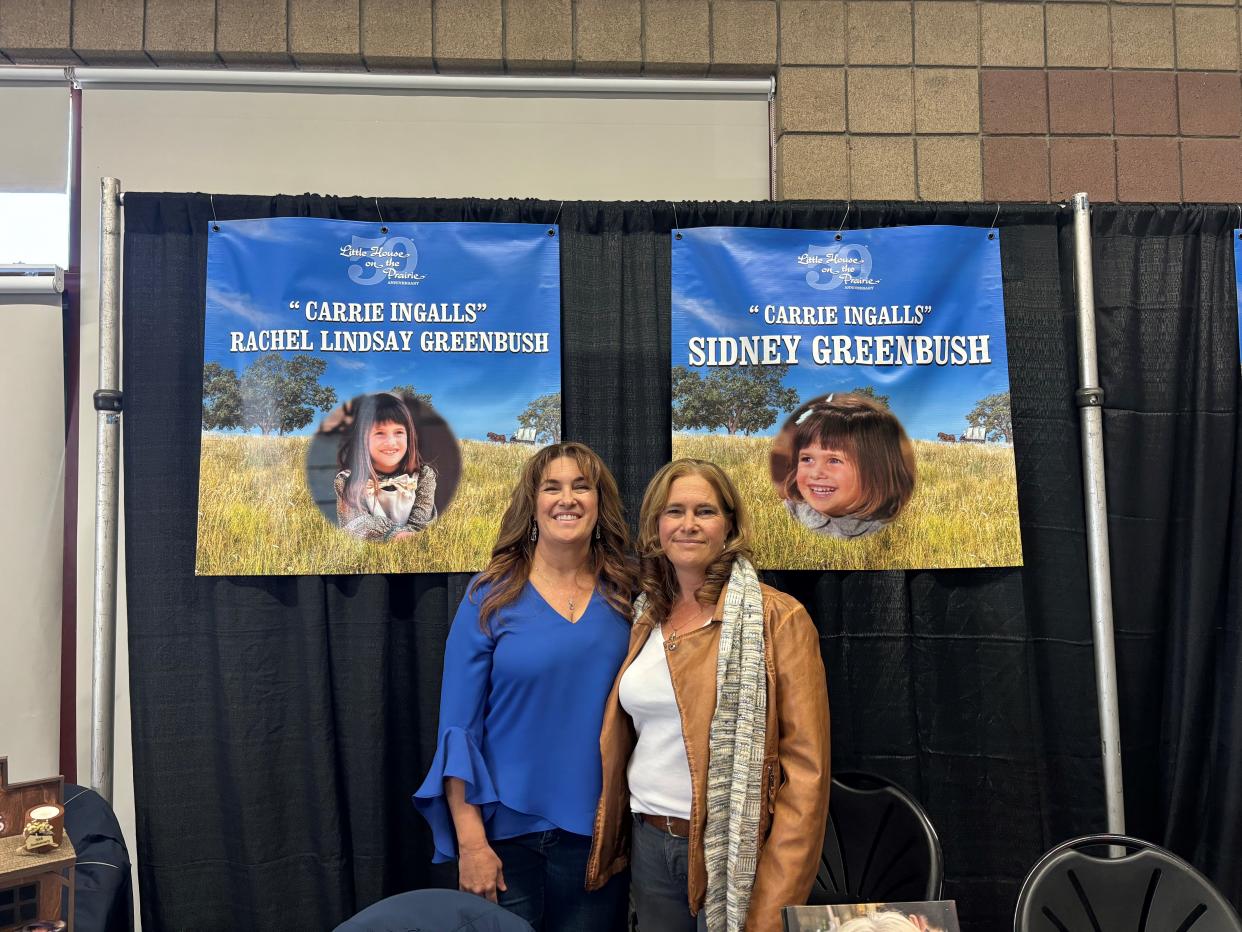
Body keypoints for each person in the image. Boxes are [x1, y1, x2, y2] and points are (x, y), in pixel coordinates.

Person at [586, 459, 831, 932]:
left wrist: (773, 906)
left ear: (730, 525)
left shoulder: (779, 618)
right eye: (674, 511)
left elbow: (807, 776)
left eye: (706, 511)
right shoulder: (644, 615)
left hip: (738, 853)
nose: (689, 524)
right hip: (651, 845)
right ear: (656, 526)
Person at [413, 442, 635, 932]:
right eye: (551, 486)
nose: (567, 498)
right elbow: (458, 732)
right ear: (531, 503)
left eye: (582, 486)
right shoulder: (489, 595)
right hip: (502, 840)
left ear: (600, 503)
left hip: (597, 838)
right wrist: (471, 845)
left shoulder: (629, 593)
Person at [771, 392, 916, 540]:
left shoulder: (890, 529)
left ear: (877, 470)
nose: (815, 474)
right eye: (807, 459)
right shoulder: (790, 513)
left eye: (834, 460)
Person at [334, 391, 437, 541]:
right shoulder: (346, 480)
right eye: (380, 433)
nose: (391, 442)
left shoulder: (423, 476)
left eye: (398, 432)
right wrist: (396, 535)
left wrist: (407, 538)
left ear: (409, 436)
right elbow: (356, 524)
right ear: (363, 440)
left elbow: (420, 526)